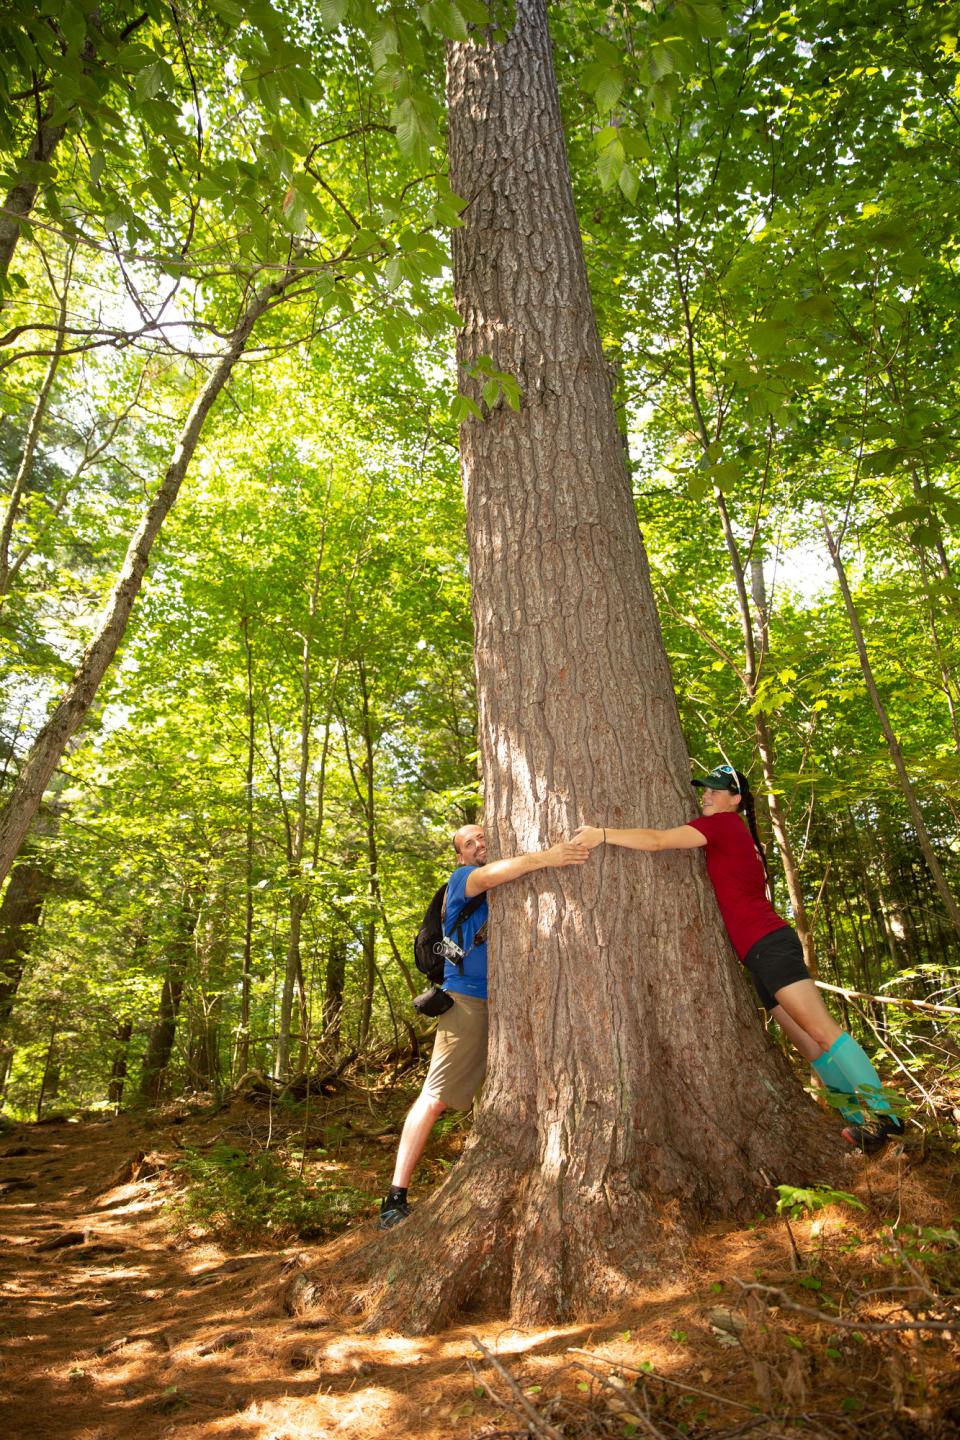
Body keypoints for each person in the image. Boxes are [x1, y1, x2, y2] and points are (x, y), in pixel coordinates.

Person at [574, 763, 904, 1154]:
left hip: (769, 943)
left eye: (716, 790)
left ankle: (887, 1118)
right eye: (705, 789)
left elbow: (658, 840)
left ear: (735, 799)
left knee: (822, 1031)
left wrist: (603, 834)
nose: (707, 795)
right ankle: (854, 1121)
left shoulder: (725, 825)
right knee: (808, 1046)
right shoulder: (731, 832)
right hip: (758, 953)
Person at [379, 822, 591, 1228]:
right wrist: (548, 857)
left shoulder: (509, 884)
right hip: (468, 1002)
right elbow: (488, 875)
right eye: (469, 843)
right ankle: (394, 1198)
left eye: (483, 839)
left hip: (514, 1004)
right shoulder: (464, 879)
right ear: (461, 856)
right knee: (435, 1096)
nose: (479, 846)